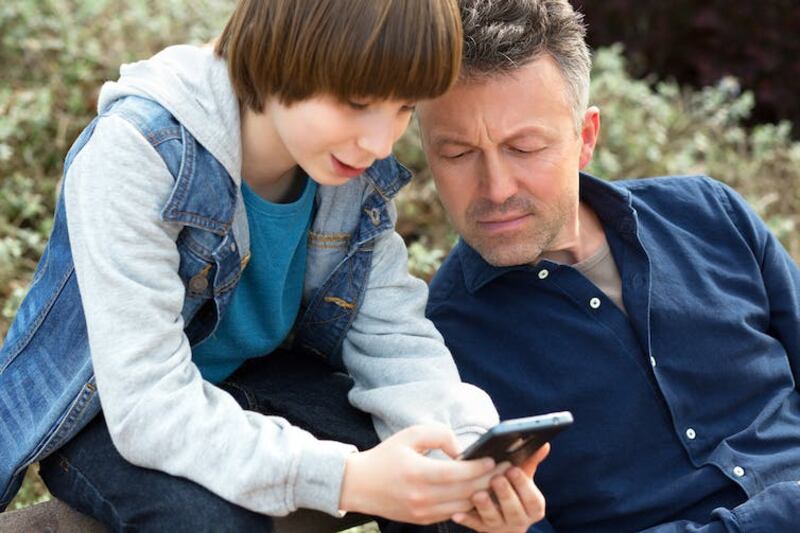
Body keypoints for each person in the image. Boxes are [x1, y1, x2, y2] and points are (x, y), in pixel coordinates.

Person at [0, 1, 547, 531]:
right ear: (282, 52)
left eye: (403, 108)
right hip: (117, 416)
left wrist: (474, 450)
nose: (380, 143)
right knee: (206, 521)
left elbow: (393, 338)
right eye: (358, 102)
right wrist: (345, 478)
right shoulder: (140, 150)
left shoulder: (348, 172)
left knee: (443, 461)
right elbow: (147, 407)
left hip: (256, 384)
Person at [414, 0, 800, 531]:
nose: (497, 189)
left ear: (586, 139)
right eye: (457, 154)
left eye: (524, 147)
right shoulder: (439, 352)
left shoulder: (710, 214)